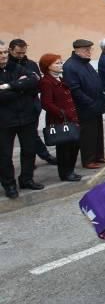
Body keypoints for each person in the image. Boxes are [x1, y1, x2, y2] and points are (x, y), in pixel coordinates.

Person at [1, 40, 43, 198]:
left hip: (26, 117)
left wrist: (8, 86)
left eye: (5, 52)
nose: (4, 56)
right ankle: (9, 184)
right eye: (0, 53)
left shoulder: (16, 67)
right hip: (4, 121)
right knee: (5, 155)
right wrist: (20, 87)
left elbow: (33, 81)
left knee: (29, 150)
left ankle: (26, 179)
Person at [8, 39, 56, 165]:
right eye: (18, 53)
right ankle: (41, 156)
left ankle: (39, 158)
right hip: (11, 108)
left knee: (31, 135)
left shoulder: (30, 64)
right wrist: (21, 84)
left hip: (31, 104)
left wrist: (21, 85)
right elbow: (7, 87)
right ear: (10, 50)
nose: (21, 55)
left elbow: (37, 83)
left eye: (23, 52)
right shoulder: (7, 66)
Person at [62, 39, 105, 169]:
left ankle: (98, 155)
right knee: (88, 134)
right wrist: (89, 101)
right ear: (78, 51)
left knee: (97, 132)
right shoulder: (70, 66)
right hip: (85, 106)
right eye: (86, 50)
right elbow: (74, 89)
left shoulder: (85, 63)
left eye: (90, 49)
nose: (89, 52)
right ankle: (88, 159)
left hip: (95, 103)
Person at [38, 54, 81, 182]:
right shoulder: (46, 82)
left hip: (71, 117)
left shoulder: (60, 79)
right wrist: (62, 113)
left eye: (60, 62)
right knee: (64, 149)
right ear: (48, 67)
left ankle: (70, 170)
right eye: (57, 63)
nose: (60, 65)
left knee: (74, 145)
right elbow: (46, 103)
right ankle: (65, 173)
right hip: (59, 119)